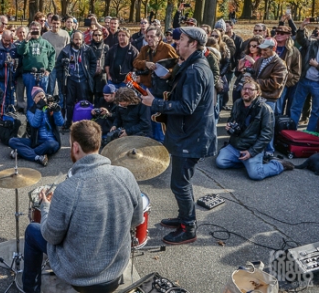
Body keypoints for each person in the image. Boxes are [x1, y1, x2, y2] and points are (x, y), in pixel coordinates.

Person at [22, 120, 143, 293]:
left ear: (76, 147)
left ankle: (30, 290)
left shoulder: (68, 189)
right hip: (116, 268)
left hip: (80, 275)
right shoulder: (126, 175)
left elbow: (51, 236)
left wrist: (46, 207)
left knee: (32, 231)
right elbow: (137, 219)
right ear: (97, 143)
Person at [141, 27, 216, 245]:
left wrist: (155, 103)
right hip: (187, 134)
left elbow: (187, 106)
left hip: (191, 137)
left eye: (181, 39)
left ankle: (189, 228)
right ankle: (184, 218)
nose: (177, 42)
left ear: (193, 44)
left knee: (180, 184)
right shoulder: (190, 65)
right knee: (180, 182)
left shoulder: (196, 70)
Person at [216, 78, 295, 179]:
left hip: (252, 147)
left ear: (257, 93)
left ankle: (278, 165)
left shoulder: (265, 109)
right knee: (220, 162)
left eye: (250, 89)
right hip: (236, 145)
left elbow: (267, 135)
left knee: (256, 174)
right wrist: (229, 127)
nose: (246, 91)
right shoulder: (237, 103)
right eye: (244, 88)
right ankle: (245, 163)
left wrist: (251, 152)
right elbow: (232, 121)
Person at [252, 37, 288, 160]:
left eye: (265, 50)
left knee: (267, 126)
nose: (262, 52)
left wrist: (255, 82)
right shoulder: (261, 60)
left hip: (269, 98)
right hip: (258, 96)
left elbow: (275, 83)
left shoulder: (280, 64)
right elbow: (256, 73)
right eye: (261, 49)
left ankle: (269, 151)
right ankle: (257, 149)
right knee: (256, 124)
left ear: (273, 49)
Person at [9, 87, 63, 167]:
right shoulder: (31, 111)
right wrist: (39, 109)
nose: (42, 99)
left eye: (43, 96)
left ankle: (23, 153)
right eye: (39, 97)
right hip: (36, 141)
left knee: (50, 144)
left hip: (51, 141)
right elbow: (35, 124)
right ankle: (37, 157)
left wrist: (57, 112)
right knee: (12, 141)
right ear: (34, 99)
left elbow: (60, 123)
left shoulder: (50, 107)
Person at [55, 31, 97, 128]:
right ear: (72, 40)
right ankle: (68, 122)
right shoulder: (65, 51)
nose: (78, 41)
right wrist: (62, 79)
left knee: (83, 102)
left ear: (83, 40)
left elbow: (93, 62)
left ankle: (83, 123)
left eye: (80, 39)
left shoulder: (88, 50)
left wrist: (90, 74)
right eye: (76, 39)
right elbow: (59, 66)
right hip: (70, 80)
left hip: (83, 80)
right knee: (69, 102)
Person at [17, 21, 55, 109]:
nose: (35, 31)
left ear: (40, 30)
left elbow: (53, 54)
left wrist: (49, 69)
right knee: (31, 97)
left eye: (37, 29)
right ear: (30, 30)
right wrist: (26, 40)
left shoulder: (45, 43)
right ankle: (31, 118)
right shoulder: (26, 42)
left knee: (43, 97)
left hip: (43, 74)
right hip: (29, 74)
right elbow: (21, 52)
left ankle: (43, 116)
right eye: (33, 29)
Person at [291, 18, 319, 132]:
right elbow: (301, 40)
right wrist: (302, 27)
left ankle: (310, 133)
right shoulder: (312, 44)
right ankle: (291, 130)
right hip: (304, 80)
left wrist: (317, 65)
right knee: (296, 107)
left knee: (316, 111)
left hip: (317, 84)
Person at [274, 25, 301, 116]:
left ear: (288, 35)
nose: (278, 35)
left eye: (282, 33)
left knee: (279, 109)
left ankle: (281, 128)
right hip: (269, 83)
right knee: (271, 110)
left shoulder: (294, 51)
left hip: (284, 84)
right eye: (277, 33)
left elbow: (297, 73)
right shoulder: (269, 48)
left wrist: (286, 82)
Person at [0, 30, 19, 110]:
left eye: (10, 40)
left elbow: (18, 61)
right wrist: (3, 62)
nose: (8, 42)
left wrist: (15, 62)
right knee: (0, 98)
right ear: (2, 38)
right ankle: (0, 115)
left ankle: (10, 115)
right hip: (0, 79)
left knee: (11, 98)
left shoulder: (14, 48)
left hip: (11, 79)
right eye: (6, 40)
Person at [42, 15, 70, 97]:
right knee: (50, 86)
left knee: (62, 87)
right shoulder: (45, 36)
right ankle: (49, 105)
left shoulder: (65, 34)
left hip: (62, 64)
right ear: (51, 23)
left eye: (58, 23)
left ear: (61, 23)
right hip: (51, 65)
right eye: (54, 23)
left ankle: (61, 106)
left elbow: (68, 48)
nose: (56, 26)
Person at [88, 29, 110, 104]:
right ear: (93, 36)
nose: (97, 37)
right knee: (90, 94)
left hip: (102, 74)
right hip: (91, 74)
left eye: (99, 35)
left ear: (102, 36)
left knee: (101, 95)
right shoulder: (88, 47)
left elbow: (108, 62)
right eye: (95, 35)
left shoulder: (106, 47)